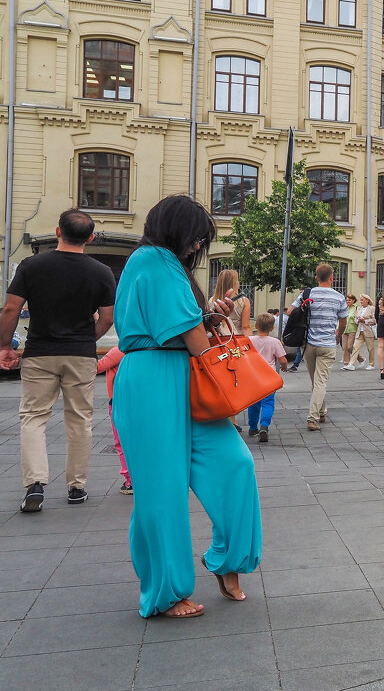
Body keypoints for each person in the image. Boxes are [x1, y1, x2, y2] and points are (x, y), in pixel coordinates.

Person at [112, 194, 259, 619]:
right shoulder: (155, 260)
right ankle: (165, 591)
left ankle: (226, 560)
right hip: (155, 377)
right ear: (177, 231)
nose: (198, 247)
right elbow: (195, 341)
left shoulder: (162, 264)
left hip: (178, 377)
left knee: (234, 464)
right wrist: (204, 323)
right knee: (161, 490)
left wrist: (206, 315)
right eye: (196, 238)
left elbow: (189, 331)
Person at [0, 208, 116, 513]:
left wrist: (5, 348)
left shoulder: (31, 265)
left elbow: (11, 309)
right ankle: (76, 487)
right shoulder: (101, 272)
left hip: (40, 352)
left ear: (57, 232)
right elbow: (107, 319)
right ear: (90, 238)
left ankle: (35, 484)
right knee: (80, 419)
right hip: (80, 354)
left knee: (34, 417)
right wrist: (86, 339)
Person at [292, 263, 347, 431]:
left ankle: (322, 411)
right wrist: (338, 334)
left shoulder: (307, 294)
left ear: (316, 277)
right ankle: (313, 418)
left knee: (315, 382)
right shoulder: (339, 297)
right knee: (320, 382)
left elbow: (290, 312)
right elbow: (343, 321)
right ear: (332, 278)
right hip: (328, 345)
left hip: (309, 344)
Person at [210, 269, 250, 430]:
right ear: (234, 283)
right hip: (235, 344)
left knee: (221, 381)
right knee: (235, 381)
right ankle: (233, 418)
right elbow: (246, 326)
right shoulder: (243, 301)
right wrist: (249, 345)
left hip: (217, 344)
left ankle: (224, 415)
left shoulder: (212, 300)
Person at [96, 344, 132, 494]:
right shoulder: (137, 350)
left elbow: (97, 367)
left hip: (119, 401)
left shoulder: (119, 349)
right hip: (136, 400)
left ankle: (130, 481)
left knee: (121, 442)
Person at [247, 313, 287, 443]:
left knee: (253, 403)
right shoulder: (275, 342)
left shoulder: (249, 340)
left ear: (256, 325)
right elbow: (282, 360)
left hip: (253, 376)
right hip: (269, 377)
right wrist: (284, 366)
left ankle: (253, 427)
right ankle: (264, 426)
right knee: (268, 403)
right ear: (272, 328)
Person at [352, 293, 376, 370]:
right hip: (360, 331)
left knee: (370, 348)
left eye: (362, 300)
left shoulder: (372, 308)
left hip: (368, 331)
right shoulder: (359, 308)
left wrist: (365, 321)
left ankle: (371, 364)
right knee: (355, 347)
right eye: (360, 300)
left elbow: (374, 320)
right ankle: (351, 364)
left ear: (367, 300)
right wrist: (357, 320)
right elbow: (355, 319)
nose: (361, 301)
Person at [341, 293, 360, 370]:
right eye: (347, 300)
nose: (348, 301)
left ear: (353, 300)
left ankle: (360, 359)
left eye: (349, 300)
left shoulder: (356, 308)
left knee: (350, 347)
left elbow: (357, 318)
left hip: (352, 329)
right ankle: (346, 363)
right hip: (344, 329)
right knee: (345, 347)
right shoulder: (344, 308)